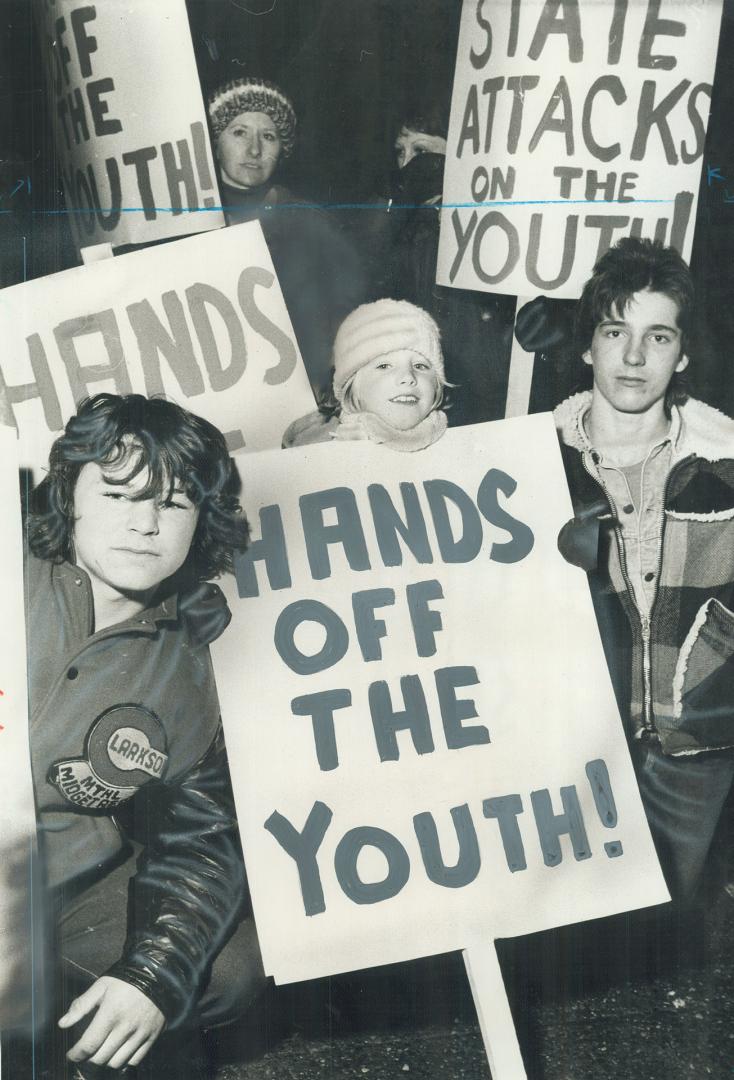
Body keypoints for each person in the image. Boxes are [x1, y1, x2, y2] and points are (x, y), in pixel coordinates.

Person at [25, 394, 264, 1077]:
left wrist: (152, 976)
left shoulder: (195, 664)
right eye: (119, 493)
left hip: (65, 888)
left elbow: (201, 843)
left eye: (174, 503)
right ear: (68, 494)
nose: (144, 524)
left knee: (226, 965)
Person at [554, 237, 734, 904]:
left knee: (662, 924)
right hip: (575, 741)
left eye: (658, 337)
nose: (634, 357)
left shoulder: (726, 464)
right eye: (614, 331)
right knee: (573, 936)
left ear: (683, 353)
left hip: (698, 743)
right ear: (586, 346)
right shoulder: (533, 467)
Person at [207, 76, 368, 400]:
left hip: (295, 393)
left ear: (283, 150)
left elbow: (348, 310)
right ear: (215, 141)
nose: (254, 149)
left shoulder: (311, 222)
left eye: (269, 136)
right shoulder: (183, 221)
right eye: (239, 132)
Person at [365, 103, 516, 427]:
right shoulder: (400, 224)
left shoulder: (484, 227)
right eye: (400, 152)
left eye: (421, 151)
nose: (407, 163)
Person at [283, 299, 448, 451]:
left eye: (420, 366)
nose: (408, 377)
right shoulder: (313, 443)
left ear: (437, 385)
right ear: (351, 386)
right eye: (384, 366)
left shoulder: (456, 444)